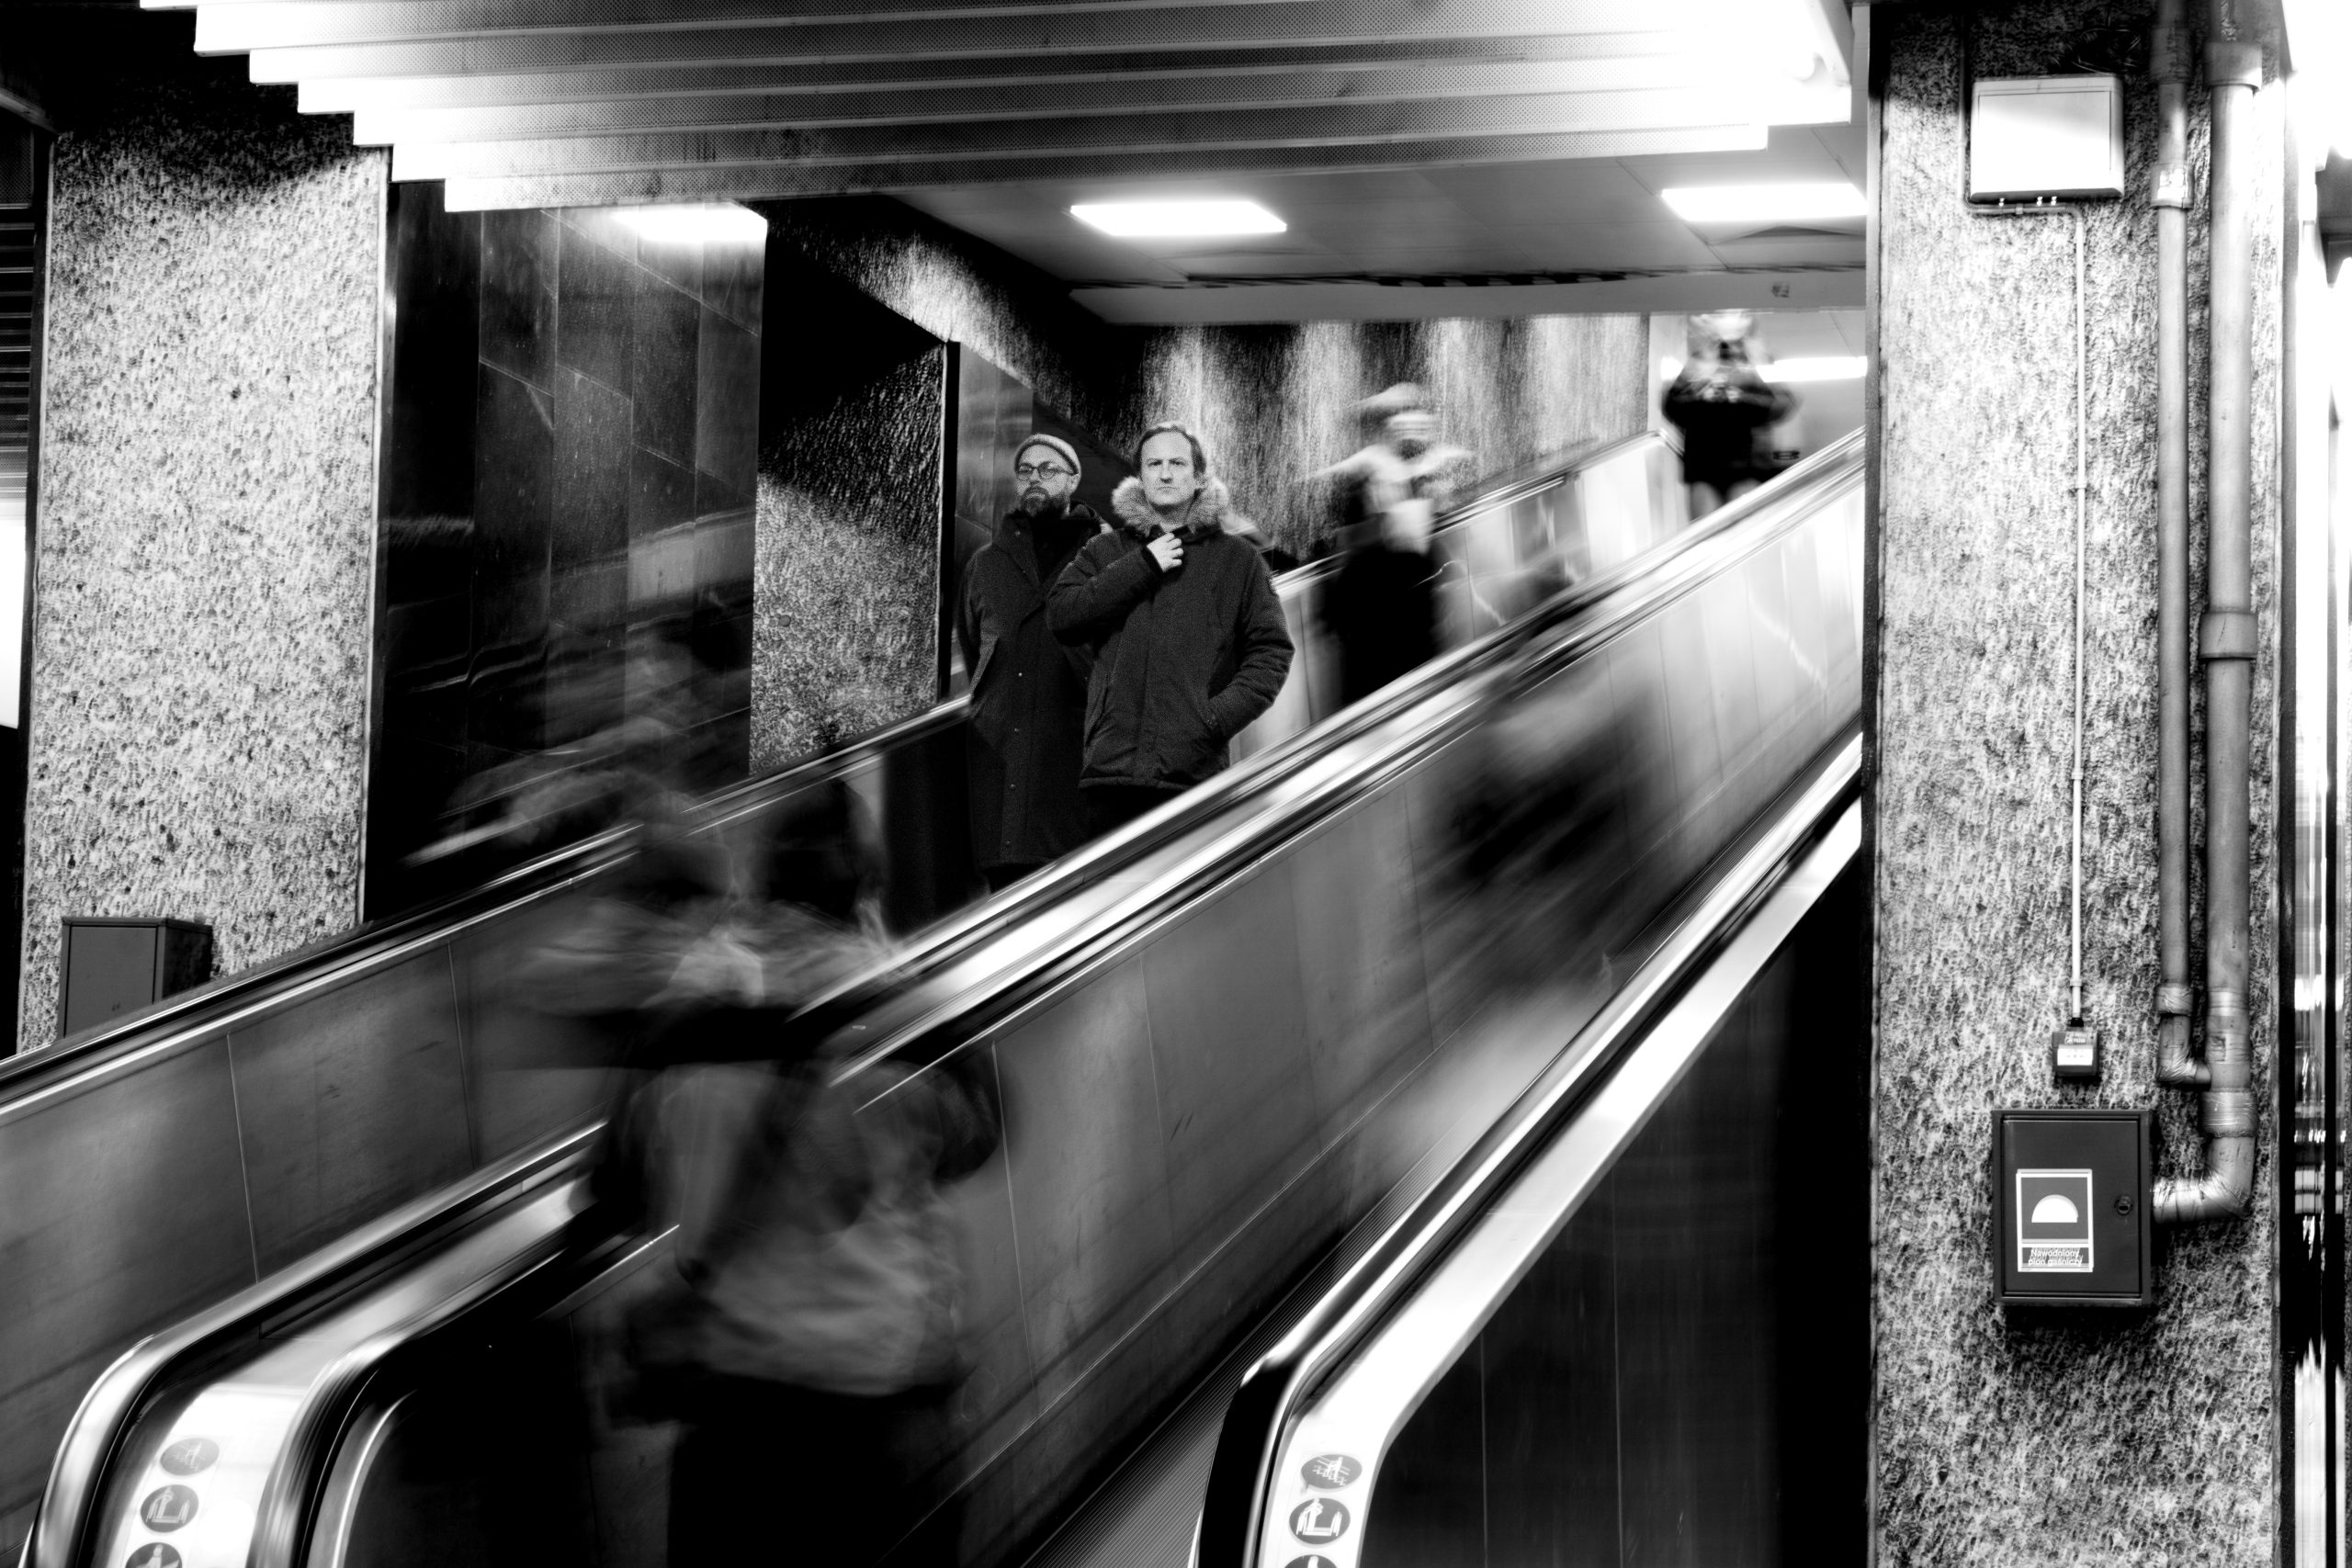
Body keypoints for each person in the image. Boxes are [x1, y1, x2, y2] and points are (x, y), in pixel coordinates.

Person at [1048, 422, 1294, 834]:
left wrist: (1211, 721)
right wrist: (1143, 565)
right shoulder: (1105, 550)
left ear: (1198, 478)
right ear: (1141, 477)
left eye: (1177, 464)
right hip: (1111, 775)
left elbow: (1271, 653)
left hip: (1193, 776)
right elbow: (1062, 615)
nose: (1164, 474)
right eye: (1154, 464)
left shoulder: (1238, 560)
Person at [955, 433, 1106, 891]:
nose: (1034, 478)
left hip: (1076, 771)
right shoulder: (985, 566)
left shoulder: (1110, 558)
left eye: (1047, 469)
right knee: (1007, 900)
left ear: (1073, 480)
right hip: (1000, 771)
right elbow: (978, 655)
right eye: (1024, 471)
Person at [1317, 383, 1474, 705]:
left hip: (1397, 612)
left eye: (1414, 416)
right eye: (1399, 418)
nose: (1409, 426)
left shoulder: (1415, 470)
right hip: (1383, 615)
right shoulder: (1373, 469)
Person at [1661, 310, 1798, 517]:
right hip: (1703, 462)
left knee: (1742, 526)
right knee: (1704, 528)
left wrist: (1740, 398)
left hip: (1748, 463)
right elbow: (1672, 406)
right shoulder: (1698, 361)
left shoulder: (1760, 360)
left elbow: (1783, 403)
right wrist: (1704, 395)